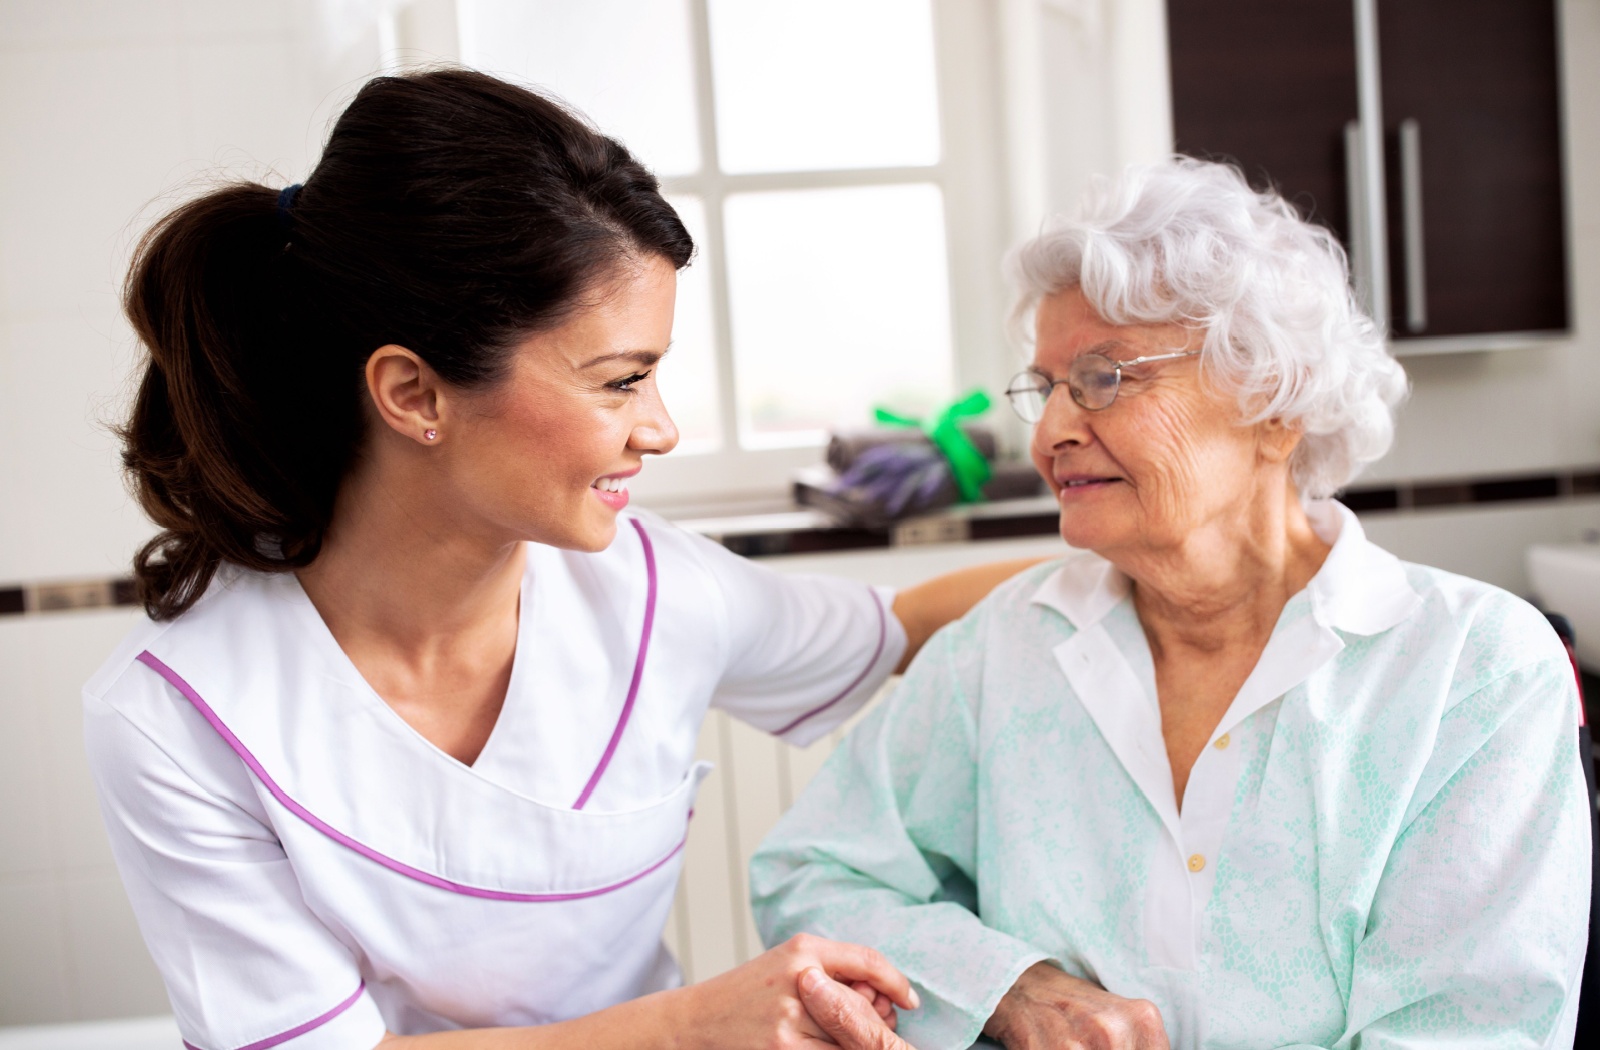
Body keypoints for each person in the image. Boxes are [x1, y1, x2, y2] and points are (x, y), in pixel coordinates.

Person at [83, 69, 1031, 1050]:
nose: (659, 430)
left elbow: (909, 627)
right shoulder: (178, 716)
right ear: (413, 394)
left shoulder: (658, 592)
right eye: (620, 382)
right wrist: (692, 1025)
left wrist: (1167, 548)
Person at [751, 158, 1591, 1049]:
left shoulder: (1476, 670)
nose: (1048, 433)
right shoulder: (1007, 648)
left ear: (1276, 402)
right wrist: (1013, 989)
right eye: (1045, 387)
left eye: (1105, 378)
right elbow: (812, 873)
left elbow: (1467, 1033)